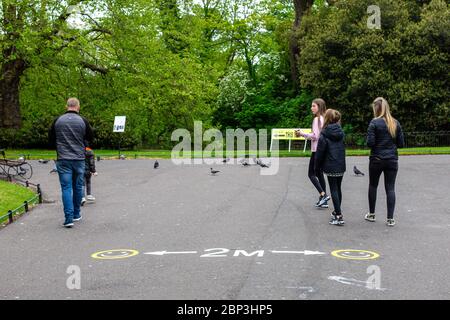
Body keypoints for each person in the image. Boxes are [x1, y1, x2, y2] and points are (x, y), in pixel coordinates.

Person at [49, 98, 94, 228]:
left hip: (63, 159)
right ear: (78, 106)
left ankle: (68, 218)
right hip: (79, 159)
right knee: (78, 187)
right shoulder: (83, 121)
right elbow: (90, 137)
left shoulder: (58, 120)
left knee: (66, 188)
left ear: (67, 106)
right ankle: (76, 214)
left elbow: (51, 139)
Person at [366, 97, 405, 227]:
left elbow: (370, 143)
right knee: (390, 188)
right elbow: (401, 144)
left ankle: (372, 214)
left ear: (376, 109)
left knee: (373, 186)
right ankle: (390, 218)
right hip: (392, 160)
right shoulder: (395, 123)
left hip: (377, 159)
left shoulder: (374, 123)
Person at [296, 99, 330, 208]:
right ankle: (323, 200)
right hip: (324, 150)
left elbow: (315, 136)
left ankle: (323, 194)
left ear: (319, 107)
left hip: (316, 150)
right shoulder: (325, 118)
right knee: (319, 174)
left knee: (311, 174)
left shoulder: (317, 119)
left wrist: (301, 134)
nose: (311, 108)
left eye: (313, 106)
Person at [315, 109, 346, 226]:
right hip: (340, 164)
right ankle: (337, 211)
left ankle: (338, 215)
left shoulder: (324, 134)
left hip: (330, 165)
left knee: (333, 189)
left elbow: (320, 153)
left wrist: (317, 166)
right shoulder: (341, 133)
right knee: (338, 188)